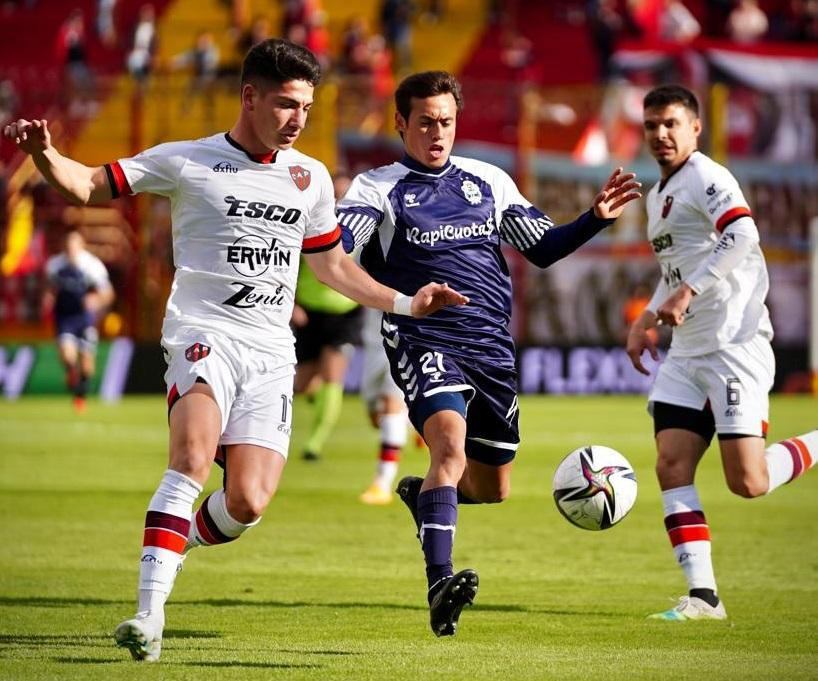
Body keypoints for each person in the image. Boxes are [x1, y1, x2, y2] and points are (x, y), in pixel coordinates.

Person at [3, 39, 467, 663]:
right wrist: (44, 153)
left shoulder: (307, 179)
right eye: (285, 104)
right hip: (203, 335)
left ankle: (175, 543)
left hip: (272, 353)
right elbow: (90, 186)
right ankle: (148, 614)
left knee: (246, 502)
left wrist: (408, 301)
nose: (298, 118)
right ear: (249, 97)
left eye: (305, 106)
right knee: (192, 457)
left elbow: (332, 267)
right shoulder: (186, 161)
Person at [337, 70, 641, 637]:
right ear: (400, 122)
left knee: (492, 488)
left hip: (492, 349)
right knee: (447, 446)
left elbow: (543, 249)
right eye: (424, 121)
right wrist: (391, 292)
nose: (436, 132)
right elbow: (340, 248)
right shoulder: (376, 188)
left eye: (446, 121)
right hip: (423, 337)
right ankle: (439, 584)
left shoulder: (487, 180)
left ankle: (424, 498)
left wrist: (594, 219)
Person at [626, 84, 818, 621]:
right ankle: (703, 596)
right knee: (670, 463)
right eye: (651, 125)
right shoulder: (656, 195)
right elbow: (675, 268)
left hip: (734, 346)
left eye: (670, 124)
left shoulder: (708, 176)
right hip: (687, 353)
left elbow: (742, 234)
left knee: (748, 482)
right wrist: (648, 314)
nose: (660, 134)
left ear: (694, 128)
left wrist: (690, 292)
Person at [292, 173, 362, 461]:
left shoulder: (362, 230)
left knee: (334, 374)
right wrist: (292, 304)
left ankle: (314, 444)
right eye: (335, 195)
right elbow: (288, 266)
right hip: (309, 312)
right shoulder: (308, 227)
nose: (339, 202)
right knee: (303, 385)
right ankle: (314, 389)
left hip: (345, 313)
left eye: (344, 196)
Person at [43, 229, 114, 411]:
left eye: (74, 245)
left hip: (85, 318)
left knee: (87, 364)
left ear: (81, 246)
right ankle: (71, 372)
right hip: (65, 317)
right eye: (68, 246)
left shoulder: (92, 266)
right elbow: (49, 287)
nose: (71, 249)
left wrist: (96, 300)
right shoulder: (55, 265)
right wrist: (48, 297)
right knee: (67, 355)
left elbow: (108, 294)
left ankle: (80, 395)